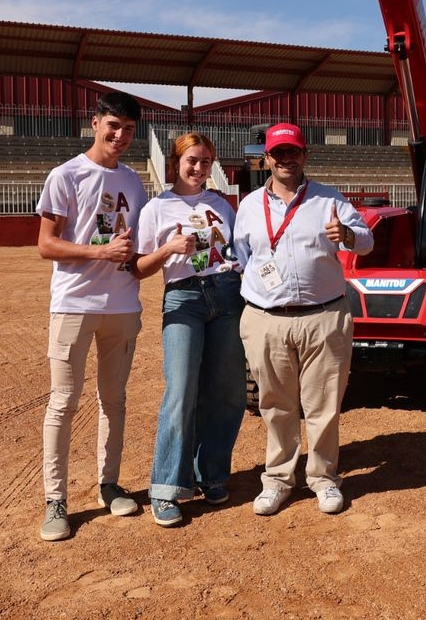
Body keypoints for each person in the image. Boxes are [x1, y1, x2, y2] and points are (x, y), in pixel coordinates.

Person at [233, 122, 373, 516]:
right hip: (267, 319)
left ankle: (324, 478)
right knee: (275, 404)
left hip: (324, 315)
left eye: (293, 151)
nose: (285, 159)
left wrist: (346, 234)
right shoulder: (248, 206)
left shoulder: (329, 200)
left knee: (323, 405)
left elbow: (367, 240)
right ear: (267, 158)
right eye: (278, 153)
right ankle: (277, 479)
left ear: (305, 155)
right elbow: (244, 258)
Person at [35, 91, 149, 542]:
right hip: (74, 304)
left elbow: (139, 242)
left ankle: (109, 483)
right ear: (95, 122)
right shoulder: (66, 175)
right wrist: (99, 251)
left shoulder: (135, 182)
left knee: (115, 400)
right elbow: (46, 244)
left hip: (122, 304)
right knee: (63, 402)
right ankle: (55, 500)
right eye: (113, 126)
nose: (120, 136)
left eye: (129, 130)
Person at [134, 132, 246, 527]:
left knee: (228, 391)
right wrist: (168, 250)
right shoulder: (157, 208)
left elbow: (237, 250)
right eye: (191, 161)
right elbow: (138, 266)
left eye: (204, 161)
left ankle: (211, 474)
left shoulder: (221, 204)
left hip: (227, 296)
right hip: (183, 297)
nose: (198, 169)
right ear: (176, 163)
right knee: (180, 390)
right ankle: (166, 487)